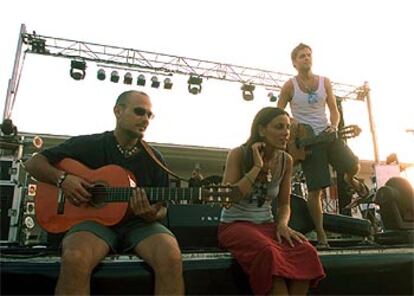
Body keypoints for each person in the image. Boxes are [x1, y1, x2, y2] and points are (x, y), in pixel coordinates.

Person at [25, 90, 184, 295]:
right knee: (75, 257)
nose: (145, 119)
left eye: (149, 115)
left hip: (138, 224)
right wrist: (63, 179)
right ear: (118, 111)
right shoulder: (87, 145)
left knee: (171, 256)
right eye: (139, 112)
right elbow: (33, 163)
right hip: (93, 224)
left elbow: (162, 207)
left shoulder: (154, 158)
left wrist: (151, 214)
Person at [218, 107, 325, 296]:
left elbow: (284, 204)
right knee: (269, 252)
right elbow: (228, 198)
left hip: (267, 226)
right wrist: (257, 167)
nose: (286, 133)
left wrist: (283, 225)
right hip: (235, 226)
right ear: (261, 130)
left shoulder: (287, 160)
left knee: (306, 250)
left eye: (288, 127)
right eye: (279, 127)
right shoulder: (238, 154)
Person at [277, 43, 369, 247]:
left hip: (327, 135)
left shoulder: (324, 82)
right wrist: (291, 123)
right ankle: (321, 235)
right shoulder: (289, 86)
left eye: (309, 55)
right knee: (316, 190)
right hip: (308, 142)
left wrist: (334, 126)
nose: (306, 58)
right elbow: (279, 112)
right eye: (302, 56)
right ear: (294, 62)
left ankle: (351, 181)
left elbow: (334, 110)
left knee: (353, 164)